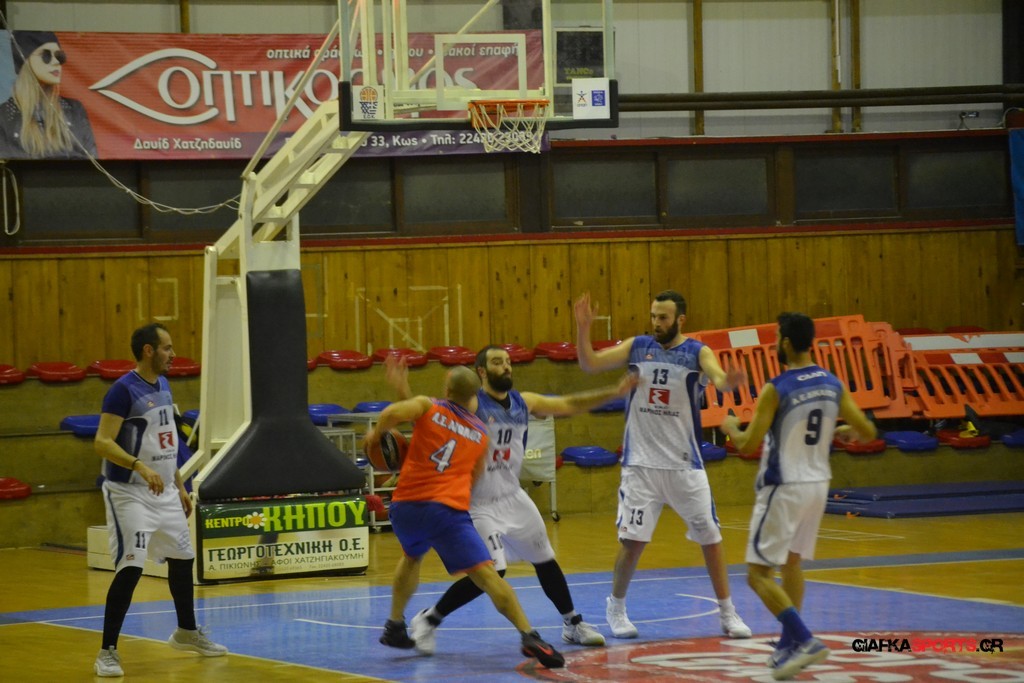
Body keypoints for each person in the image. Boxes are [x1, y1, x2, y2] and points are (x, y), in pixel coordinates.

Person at [384, 347, 636, 655]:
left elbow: (569, 404)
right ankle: (430, 618)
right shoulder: (470, 404)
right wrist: (402, 391)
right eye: (496, 362)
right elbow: (427, 419)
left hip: (512, 494)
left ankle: (572, 623)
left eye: (507, 362)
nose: (505, 367)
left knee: (545, 557)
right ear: (481, 371)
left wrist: (614, 392)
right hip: (477, 502)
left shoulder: (523, 402)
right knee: (493, 571)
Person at [574, 290, 752, 640]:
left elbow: (717, 377)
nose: (656, 323)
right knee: (633, 542)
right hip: (641, 465)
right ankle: (616, 607)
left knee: (711, 538)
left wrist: (727, 383)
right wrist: (583, 330)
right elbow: (589, 363)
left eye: (663, 317)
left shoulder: (697, 352)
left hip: (684, 464)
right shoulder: (637, 346)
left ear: (680, 319)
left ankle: (728, 613)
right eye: (654, 316)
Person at [369, 365, 565, 669]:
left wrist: (375, 437)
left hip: (405, 508)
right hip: (445, 512)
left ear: (447, 391)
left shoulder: (427, 407)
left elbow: (393, 414)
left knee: (411, 556)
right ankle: (529, 635)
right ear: (475, 396)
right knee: (488, 575)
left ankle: (395, 624)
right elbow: (472, 480)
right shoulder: (481, 435)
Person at [720, 312, 876, 680]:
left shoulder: (778, 388)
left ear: (787, 343)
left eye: (777, 337)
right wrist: (844, 431)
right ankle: (788, 644)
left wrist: (731, 427)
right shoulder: (832, 383)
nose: (776, 343)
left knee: (757, 575)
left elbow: (748, 444)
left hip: (784, 486)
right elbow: (868, 431)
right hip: (818, 486)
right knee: (791, 564)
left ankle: (804, 639)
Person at [93, 323, 227, 678]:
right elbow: (102, 442)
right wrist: (138, 466)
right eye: (167, 347)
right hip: (129, 492)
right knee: (131, 567)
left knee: (183, 559)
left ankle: (186, 632)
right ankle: (107, 651)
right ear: (148, 350)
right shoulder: (122, 390)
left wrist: (179, 484)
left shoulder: (164, 385)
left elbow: (166, 444)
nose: (173, 354)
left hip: (164, 490)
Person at [0, 30, 97, 159]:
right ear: (24, 61)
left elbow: (91, 162)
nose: (56, 62)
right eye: (46, 55)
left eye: (59, 56)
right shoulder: (4, 116)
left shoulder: (74, 110)